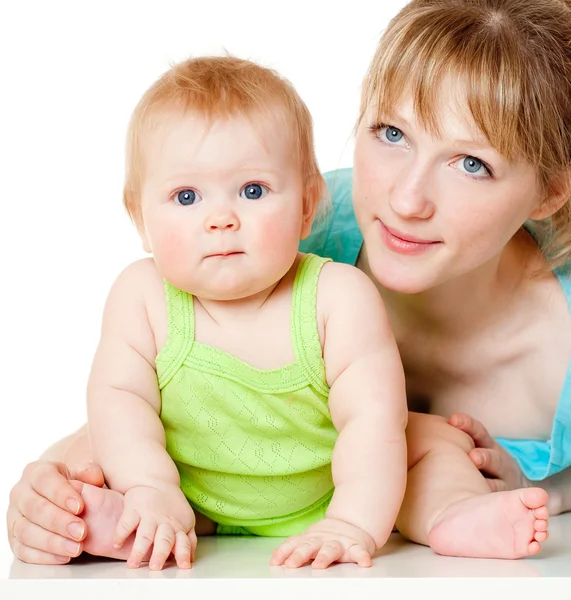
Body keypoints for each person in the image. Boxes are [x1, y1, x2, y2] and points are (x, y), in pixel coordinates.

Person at [8, 0, 571, 566]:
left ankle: (453, 517)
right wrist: (53, 496)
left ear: (551, 191)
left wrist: (540, 492)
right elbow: (130, 404)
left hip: (336, 495)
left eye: (471, 163)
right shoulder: (272, 231)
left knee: (432, 445)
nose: (405, 200)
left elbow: (380, 428)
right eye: (391, 131)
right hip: (202, 490)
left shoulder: (311, 265)